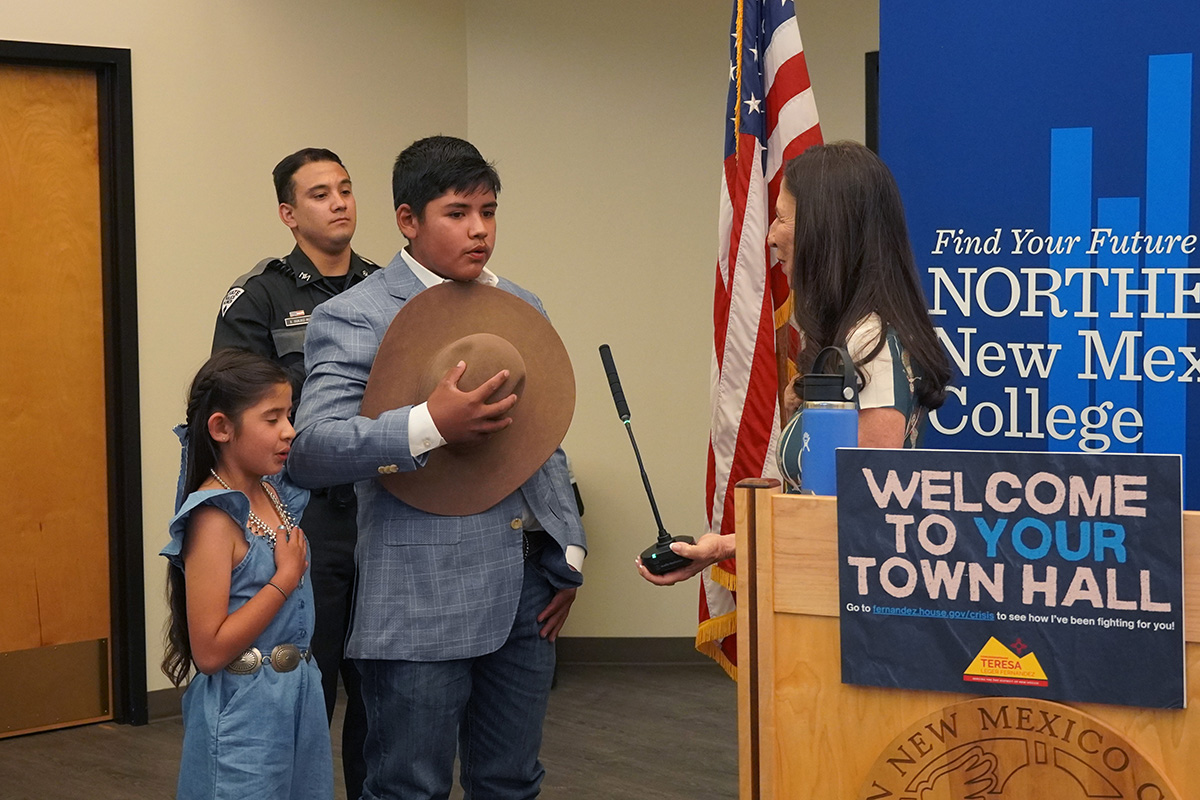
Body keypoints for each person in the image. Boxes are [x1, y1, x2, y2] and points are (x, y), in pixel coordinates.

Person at [288, 135, 586, 800]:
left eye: (489, 210)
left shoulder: (520, 304)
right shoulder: (354, 316)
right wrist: (429, 424)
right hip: (419, 592)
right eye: (457, 212)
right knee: (408, 787)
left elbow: (544, 438)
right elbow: (310, 449)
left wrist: (569, 547)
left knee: (512, 782)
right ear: (408, 220)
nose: (479, 230)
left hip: (530, 592)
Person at [639, 141, 952, 586]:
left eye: (783, 218)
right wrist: (725, 546)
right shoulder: (854, 337)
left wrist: (730, 544)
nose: (770, 235)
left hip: (847, 602)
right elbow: (821, 502)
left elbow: (865, 502)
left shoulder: (871, 343)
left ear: (827, 231)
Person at [212, 147, 376, 798]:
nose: (338, 202)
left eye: (345, 189)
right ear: (289, 213)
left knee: (383, 693)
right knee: (304, 687)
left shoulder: (388, 287)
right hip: (302, 517)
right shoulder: (260, 296)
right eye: (319, 194)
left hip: (384, 508)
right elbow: (231, 417)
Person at [160, 348, 331, 798]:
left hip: (298, 700)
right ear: (222, 428)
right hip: (245, 712)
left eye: (289, 415)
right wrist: (283, 581)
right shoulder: (214, 518)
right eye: (271, 419)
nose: (289, 431)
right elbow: (211, 651)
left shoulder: (276, 494)